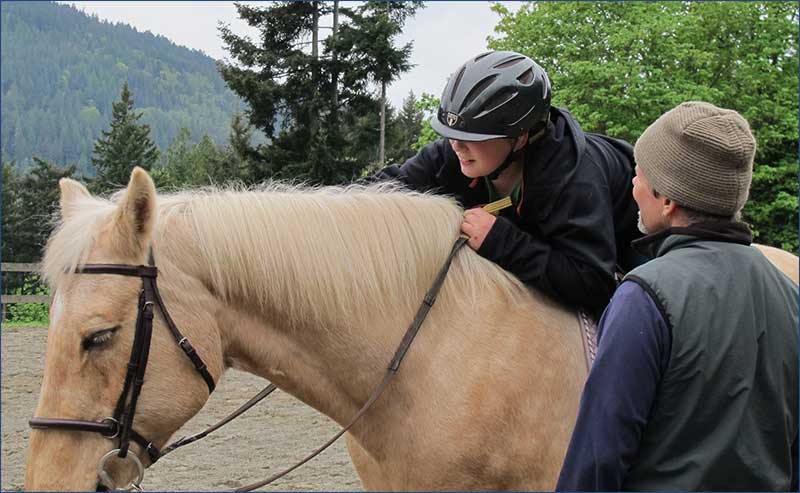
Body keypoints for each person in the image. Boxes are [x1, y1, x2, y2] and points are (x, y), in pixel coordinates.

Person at [556, 101, 799, 491]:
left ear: (667, 200)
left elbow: (599, 458)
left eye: (638, 174)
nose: (632, 187)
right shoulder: (790, 295)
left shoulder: (644, 295)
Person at [374, 50, 640, 313]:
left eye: (473, 137)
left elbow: (592, 282)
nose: (456, 145)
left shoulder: (574, 178)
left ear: (521, 137)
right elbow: (389, 186)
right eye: (450, 133)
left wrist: (501, 241)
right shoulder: (454, 151)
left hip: (639, 239)